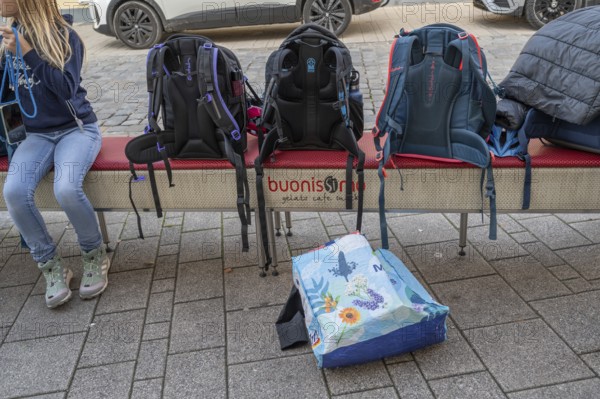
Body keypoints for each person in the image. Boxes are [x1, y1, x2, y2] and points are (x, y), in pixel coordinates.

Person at [1, 0, 110, 308]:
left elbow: (65, 88)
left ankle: (94, 256)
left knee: (66, 188)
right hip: (36, 136)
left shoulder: (65, 35)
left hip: (76, 130)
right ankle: (51, 265)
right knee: (14, 191)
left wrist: (27, 52)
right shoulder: (9, 35)